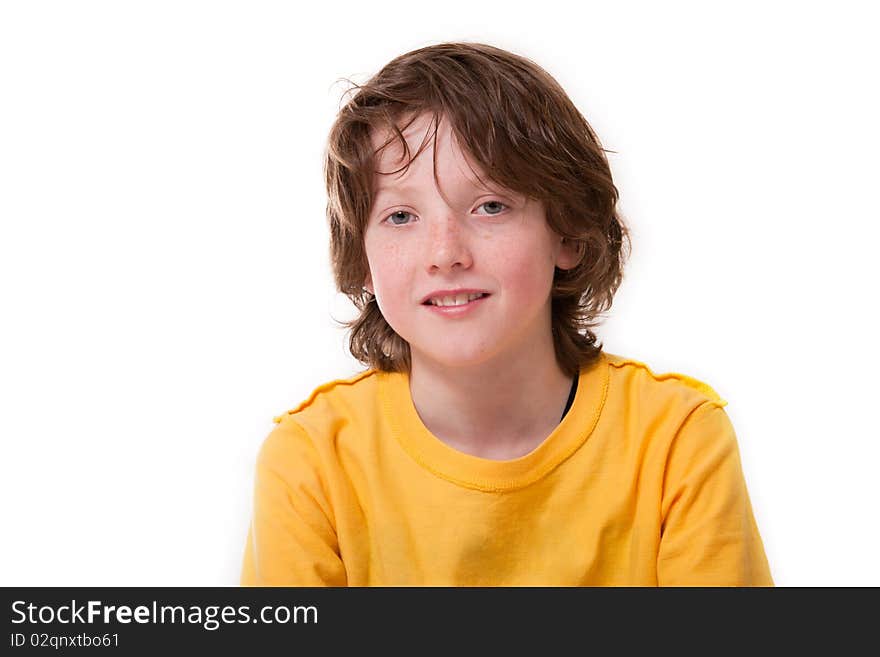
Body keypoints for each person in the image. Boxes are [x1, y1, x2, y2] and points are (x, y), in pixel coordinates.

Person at [239, 42, 773, 586]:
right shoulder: (310, 461)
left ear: (566, 232)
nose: (445, 253)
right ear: (365, 261)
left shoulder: (677, 441)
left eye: (490, 206)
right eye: (401, 216)